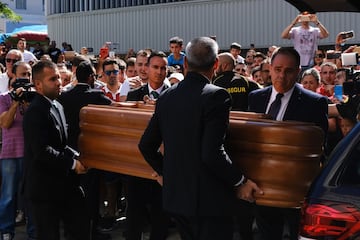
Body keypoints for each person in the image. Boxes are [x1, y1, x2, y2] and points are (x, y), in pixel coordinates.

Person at [138, 37, 263, 240]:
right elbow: (211, 152)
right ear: (216, 65)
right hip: (209, 201)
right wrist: (240, 181)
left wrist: (166, 174)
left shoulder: (167, 97)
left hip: (177, 199)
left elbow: (146, 145)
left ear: (185, 63)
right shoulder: (216, 96)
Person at [248, 47, 328, 240]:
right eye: (277, 69)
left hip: (297, 190)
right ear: (270, 68)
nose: (281, 75)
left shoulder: (314, 102)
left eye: (288, 71)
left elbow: (319, 144)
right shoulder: (256, 98)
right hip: (263, 188)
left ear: (298, 71)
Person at [22, 60, 89, 240]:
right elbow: (42, 151)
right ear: (38, 84)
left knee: (79, 227)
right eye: (53, 79)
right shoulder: (35, 111)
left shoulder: (57, 105)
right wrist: (73, 164)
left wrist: (78, 157)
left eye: (59, 77)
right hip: (44, 190)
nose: (59, 82)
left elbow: (61, 144)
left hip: (63, 185)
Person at [57, 60, 114, 240]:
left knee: (70, 194)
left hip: (69, 151)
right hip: (91, 152)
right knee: (91, 194)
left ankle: (71, 231)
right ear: (91, 77)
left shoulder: (64, 97)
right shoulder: (98, 97)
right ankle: (92, 231)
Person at [125, 51, 171, 240]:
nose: (159, 72)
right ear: (147, 68)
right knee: (134, 215)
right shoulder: (133, 95)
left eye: (163, 68)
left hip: (162, 167)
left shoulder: (173, 96)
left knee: (161, 217)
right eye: (155, 67)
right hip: (137, 166)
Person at [0, 61, 36, 240]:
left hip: (30, 153)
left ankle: (33, 231)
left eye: (28, 74)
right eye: (22, 74)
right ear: (13, 76)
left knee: (31, 194)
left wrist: (28, 104)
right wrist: (15, 102)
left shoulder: (34, 98)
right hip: (10, 153)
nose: (26, 78)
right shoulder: (4, 97)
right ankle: (6, 230)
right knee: (8, 195)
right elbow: (5, 123)